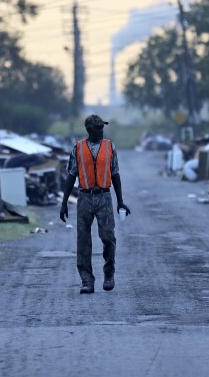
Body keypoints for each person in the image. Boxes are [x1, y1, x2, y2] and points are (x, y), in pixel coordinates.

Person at [60, 114, 131, 294]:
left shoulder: (109, 146)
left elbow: (115, 174)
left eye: (102, 127)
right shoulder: (78, 148)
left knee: (108, 237)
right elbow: (71, 175)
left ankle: (109, 274)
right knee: (83, 240)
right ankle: (86, 281)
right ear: (89, 129)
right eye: (98, 128)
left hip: (104, 197)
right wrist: (64, 202)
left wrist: (120, 201)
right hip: (84, 197)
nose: (101, 131)